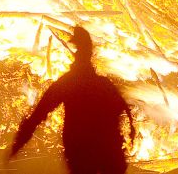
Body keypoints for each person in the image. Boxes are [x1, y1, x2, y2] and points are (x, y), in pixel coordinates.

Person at [8, 26, 136, 174]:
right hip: (103, 152)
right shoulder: (104, 85)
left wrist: (19, 142)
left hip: (83, 152)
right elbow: (123, 112)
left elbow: (39, 113)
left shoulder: (70, 83)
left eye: (78, 50)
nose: (76, 53)